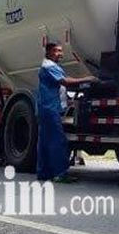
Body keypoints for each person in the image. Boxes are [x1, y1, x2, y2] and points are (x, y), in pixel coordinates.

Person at [37, 42, 96, 182]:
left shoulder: (48, 66)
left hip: (45, 108)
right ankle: (60, 173)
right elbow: (65, 81)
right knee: (58, 140)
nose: (61, 54)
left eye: (61, 51)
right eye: (57, 51)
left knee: (45, 141)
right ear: (49, 52)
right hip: (50, 109)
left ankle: (44, 173)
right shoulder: (49, 66)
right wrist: (88, 78)